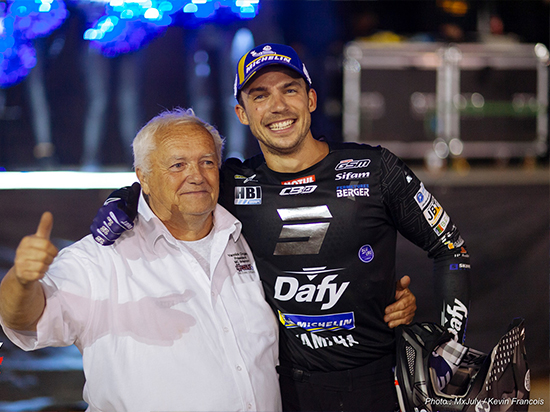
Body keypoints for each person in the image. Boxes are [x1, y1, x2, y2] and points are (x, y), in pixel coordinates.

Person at [91, 44, 469, 412]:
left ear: (311, 99)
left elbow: (451, 249)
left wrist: (450, 345)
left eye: (290, 90)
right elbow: (171, 181)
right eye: (260, 95)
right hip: (282, 390)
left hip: (377, 385)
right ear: (242, 113)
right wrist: (121, 199)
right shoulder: (233, 184)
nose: (277, 106)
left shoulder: (376, 169)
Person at [0, 109, 282, 412]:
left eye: (207, 162)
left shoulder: (245, 237)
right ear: (143, 178)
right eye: (178, 165)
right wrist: (22, 280)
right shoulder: (100, 259)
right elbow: (25, 320)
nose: (196, 175)